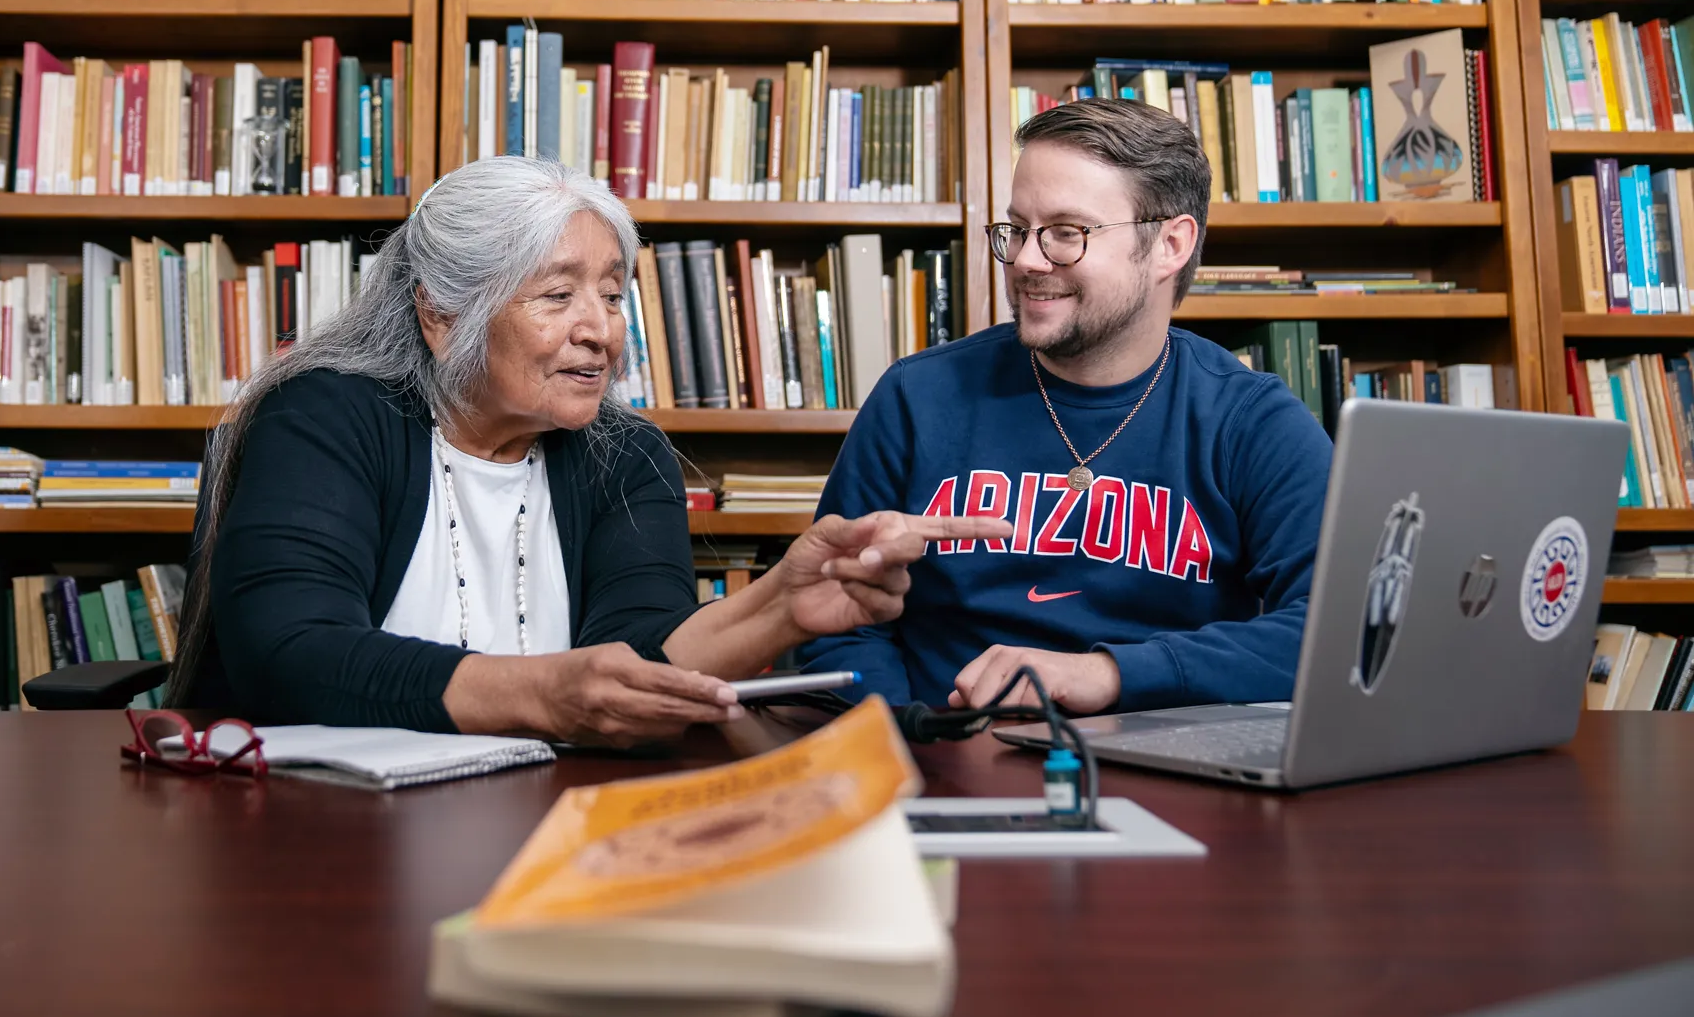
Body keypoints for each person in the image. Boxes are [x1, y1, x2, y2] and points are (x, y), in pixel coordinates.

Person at [169, 156, 1008, 744]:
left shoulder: (623, 450)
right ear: (443, 313)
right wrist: (545, 693)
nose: (600, 330)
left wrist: (782, 606)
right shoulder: (326, 416)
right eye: (558, 294)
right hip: (303, 830)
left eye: (612, 295)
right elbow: (290, 654)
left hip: (546, 815)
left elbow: (639, 658)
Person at [798, 97, 1333, 715]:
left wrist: (1111, 674)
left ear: (1170, 245)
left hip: (1170, 770)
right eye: (1018, 229)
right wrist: (906, 752)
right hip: (948, 761)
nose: (1027, 259)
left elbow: (1338, 625)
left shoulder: (1251, 421)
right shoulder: (917, 397)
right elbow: (840, 623)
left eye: (1066, 233)